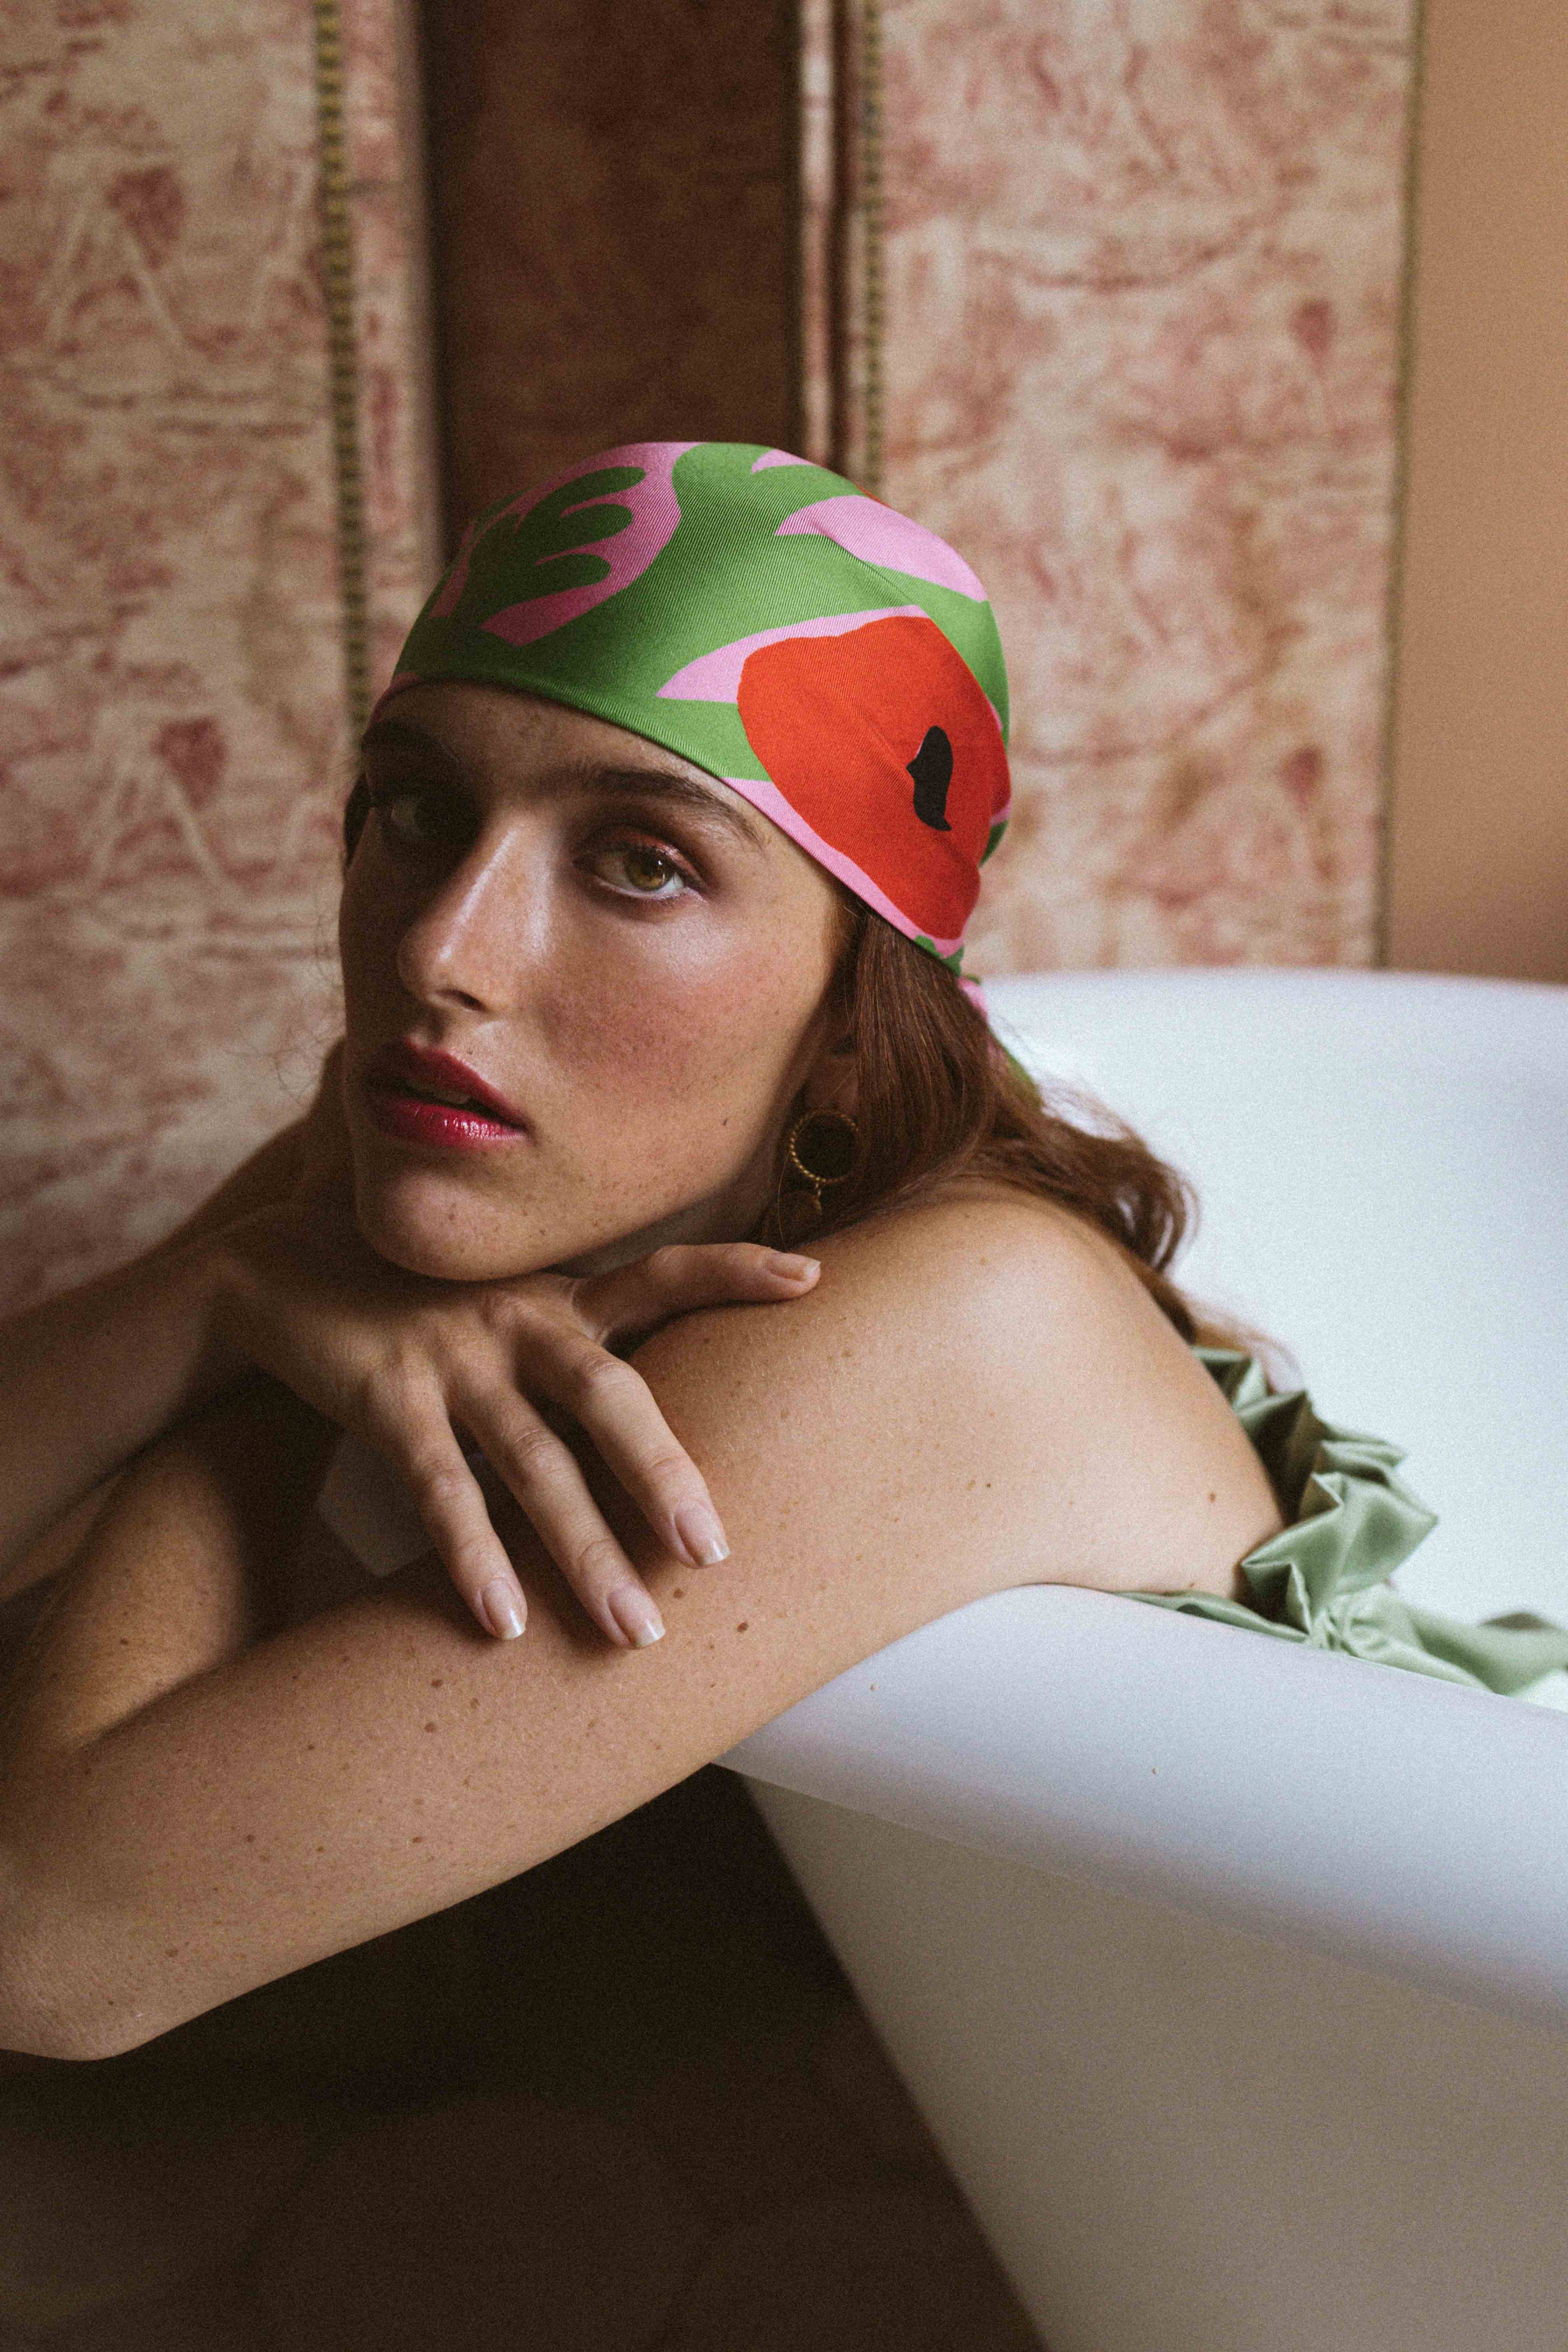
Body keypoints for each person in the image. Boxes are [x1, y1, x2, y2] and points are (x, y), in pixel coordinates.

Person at [0, 442, 1558, 2066]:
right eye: (419, 808)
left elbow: (48, 1940)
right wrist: (226, 1293)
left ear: (850, 1016)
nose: (439, 948)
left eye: (642, 862)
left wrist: (292, 1334)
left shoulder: (946, 1327)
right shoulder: (474, 1139)